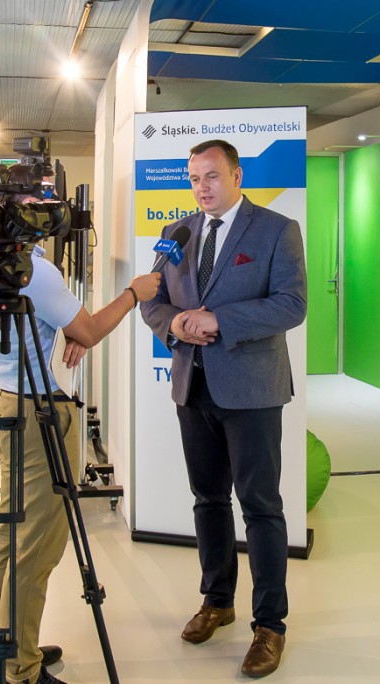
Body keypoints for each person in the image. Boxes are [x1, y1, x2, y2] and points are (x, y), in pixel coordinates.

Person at [140, 139, 306, 678]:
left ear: (236, 176)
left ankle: (270, 626)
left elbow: (292, 304)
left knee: (260, 506)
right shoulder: (176, 233)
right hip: (193, 386)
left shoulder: (277, 230)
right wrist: (174, 323)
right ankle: (217, 601)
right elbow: (153, 299)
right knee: (208, 500)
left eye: (211, 176)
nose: (201, 187)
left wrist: (220, 321)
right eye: (193, 178)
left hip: (252, 391)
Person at [0, 232, 161, 684]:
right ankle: (21, 669)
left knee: (8, 533)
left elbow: (61, 328)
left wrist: (68, 330)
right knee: (35, 545)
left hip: (6, 399)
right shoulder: (36, 271)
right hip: (37, 414)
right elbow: (91, 330)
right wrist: (133, 294)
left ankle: (2, 648)